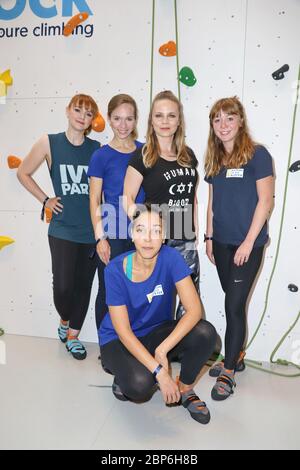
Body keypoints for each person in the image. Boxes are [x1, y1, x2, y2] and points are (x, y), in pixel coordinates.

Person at [100, 204, 217, 424]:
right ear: (132, 234)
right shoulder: (114, 270)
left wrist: (162, 350)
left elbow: (194, 311)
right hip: (118, 340)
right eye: (141, 230)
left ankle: (185, 389)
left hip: (155, 334)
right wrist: (161, 373)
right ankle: (121, 372)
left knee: (206, 333)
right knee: (140, 385)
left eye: (156, 231)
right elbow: (123, 332)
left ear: (163, 236)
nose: (148, 238)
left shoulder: (171, 258)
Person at [17, 94, 100, 360]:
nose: (82, 117)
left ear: (91, 120)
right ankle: (65, 321)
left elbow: (101, 191)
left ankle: (73, 336)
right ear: (68, 110)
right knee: (64, 286)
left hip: (90, 231)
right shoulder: (49, 143)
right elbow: (23, 172)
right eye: (78, 110)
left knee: (84, 284)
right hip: (62, 229)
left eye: (88, 114)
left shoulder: (96, 148)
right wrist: (45, 199)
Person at [204, 96, 274, 400]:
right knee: (232, 302)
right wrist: (208, 237)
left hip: (248, 245)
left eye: (229, 118)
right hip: (220, 243)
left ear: (240, 121)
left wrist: (247, 242)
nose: (223, 125)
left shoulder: (258, 155)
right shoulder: (215, 157)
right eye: (217, 119)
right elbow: (211, 201)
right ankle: (238, 354)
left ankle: (229, 371)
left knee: (233, 306)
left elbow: (266, 201)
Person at [123, 90, 199, 319]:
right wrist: (145, 229)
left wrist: (196, 235)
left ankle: (182, 347)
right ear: (151, 121)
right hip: (155, 240)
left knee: (189, 298)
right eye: (159, 115)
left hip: (185, 238)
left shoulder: (188, 155)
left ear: (179, 121)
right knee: (155, 296)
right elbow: (127, 197)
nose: (165, 121)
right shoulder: (143, 155)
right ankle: (149, 346)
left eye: (171, 116)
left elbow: (192, 198)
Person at [88, 94, 144, 330]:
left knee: (138, 290)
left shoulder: (145, 151)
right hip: (113, 233)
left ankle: (134, 343)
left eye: (129, 119)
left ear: (136, 120)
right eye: (117, 118)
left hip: (141, 234)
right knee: (110, 290)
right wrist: (100, 237)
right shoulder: (101, 155)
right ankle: (107, 345)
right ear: (109, 120)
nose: (123, 125)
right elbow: (94, 199)